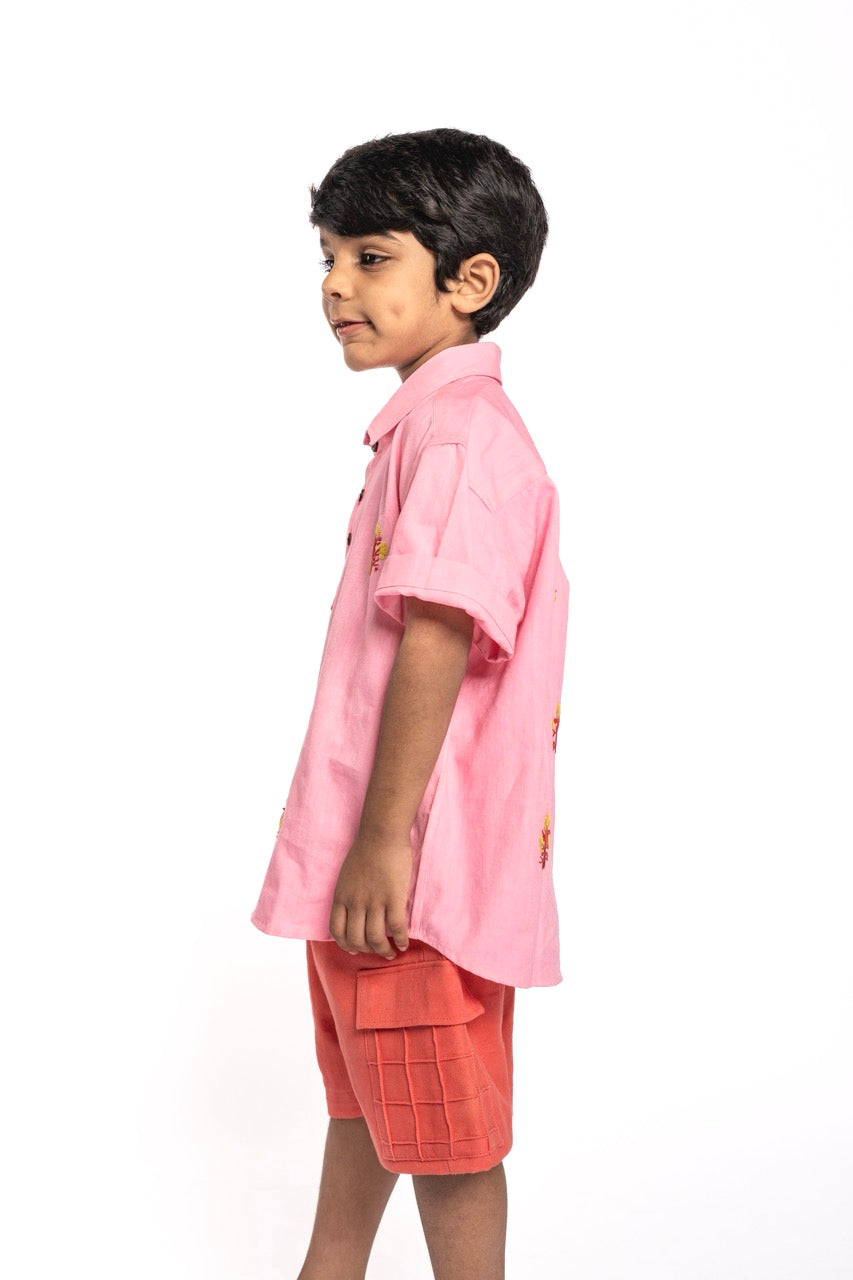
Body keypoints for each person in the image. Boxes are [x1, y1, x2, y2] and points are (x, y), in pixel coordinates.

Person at [251, 127, 569, 1280]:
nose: (335, 284)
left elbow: (437, 634)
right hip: (371, 871)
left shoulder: (464, 439)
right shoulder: (419, 430)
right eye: (329, 255)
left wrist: (385, 840)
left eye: (371, 256)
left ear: (468, 280)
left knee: (446, 1142)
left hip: (410, 881)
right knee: (373, 1110)